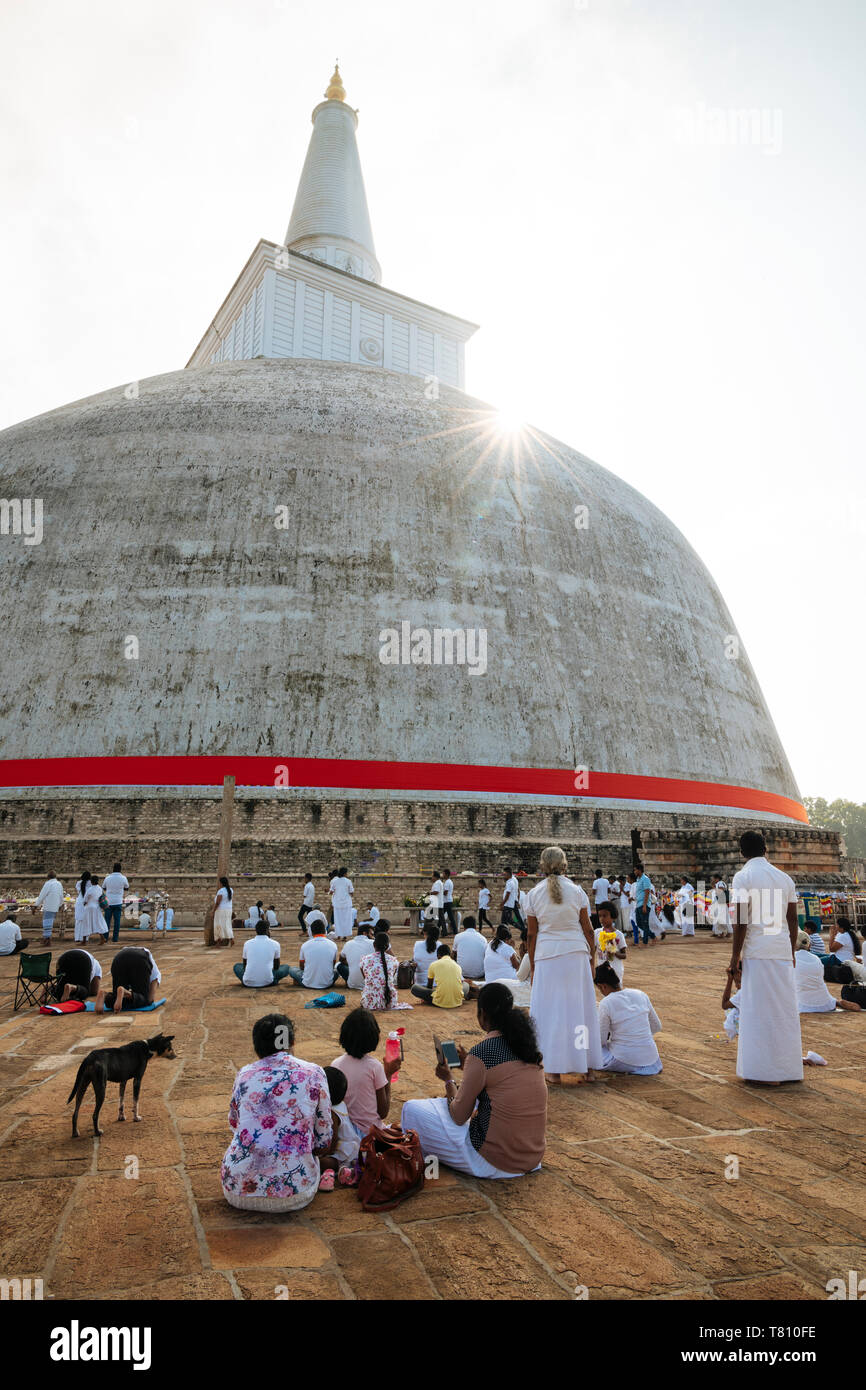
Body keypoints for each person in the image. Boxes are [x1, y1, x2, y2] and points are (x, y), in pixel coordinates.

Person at [401, 982, 547, 1179]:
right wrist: (468, 1065)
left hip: (494, 1162)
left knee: (411, 1109)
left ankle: (417, 1163)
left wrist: (448, 1080)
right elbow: (501, 1079)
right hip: (531, 1158)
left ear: (483, 1015)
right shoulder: (527, 1045)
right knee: (477, 1097)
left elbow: (459, 1116)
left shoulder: (483, 1052)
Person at [221, 1012, 332, 1213]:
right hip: (296, 1193)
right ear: (292, 1042)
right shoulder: (314, 1073)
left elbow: (234, 1124)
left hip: (237, 1190)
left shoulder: (245, 1073)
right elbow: (323, 1139)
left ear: (257, 1047)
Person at [723, 830, 803, 1085]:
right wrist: (790, 951)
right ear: (765, 849)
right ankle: (787, 1069)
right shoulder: (784, 878)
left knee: (758, 1012)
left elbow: (740, 919)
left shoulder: (742, 876)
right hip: (780, 950)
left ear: (741, 853)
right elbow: (793, 921)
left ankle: (764, 1072)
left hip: (758, 951)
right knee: (783, 1011)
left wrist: (735, 956)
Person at [526, 845, 602, 1084]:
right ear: (565, 864)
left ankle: (553, 1070)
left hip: (547, 956)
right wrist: (592, 958)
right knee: (582, 1010)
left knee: (550, 1013)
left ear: (542, 865)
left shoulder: (534, 894)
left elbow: (531, 934)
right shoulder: (577, 891)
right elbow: (588, 930)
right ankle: (587, 1067)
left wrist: (534, 965)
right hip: (576, 953)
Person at [332, 1007, 400, 1137]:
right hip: (370, 1135)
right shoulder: (375, 1067)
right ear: (374, 1037)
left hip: (346, 1132)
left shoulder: (336, 1064)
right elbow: (383, 1112)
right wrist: (388, 1074)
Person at [594, 962, 663, 1074]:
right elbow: (656, 1026)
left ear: (603, 986)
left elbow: (600, 1040)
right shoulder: (640, 994)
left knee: (586, 1047)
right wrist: (637, 1037)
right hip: (651, 1059)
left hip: (624, 1059)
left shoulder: (606, 1003)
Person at [316, 1067, 363, 1190]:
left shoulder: (332, 1112)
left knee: (320, 1162)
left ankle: (339, 1168)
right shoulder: (341, 1104)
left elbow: (333, 1140)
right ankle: (346, 1168)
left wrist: (324, 1154)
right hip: (350, 1149)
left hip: (342, 1152)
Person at [95, 946, 162, 1013]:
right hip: (139, 959)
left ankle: (105, 995)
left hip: (118, 958)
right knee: (145, 999)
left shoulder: (129, 950)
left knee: (116, 996)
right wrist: (146, 999)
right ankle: (126, 992)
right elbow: (150, 998)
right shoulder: (156, 975)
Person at [360, 930, 411, 1010]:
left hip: (368, 1002)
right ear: (387, 947)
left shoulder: (365, 959)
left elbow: (366, 978)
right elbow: (390, 978)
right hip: (390, 1002)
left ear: (374, 945)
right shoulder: (393, 960)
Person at [233, 921, 292, 988]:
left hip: (248, 982)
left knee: (237, 966)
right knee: (286, 967)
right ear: (267, 930)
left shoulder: (247, 943)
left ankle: (251, 978)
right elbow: (276, 967)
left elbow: (245, 965)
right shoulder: (275, 944)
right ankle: (268, 978)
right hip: (268, 981)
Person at [411, 942, 473, 1006]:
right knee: (466, 984)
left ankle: (436, 998)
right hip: (457, 1001)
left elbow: (429, 986)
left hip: (439, 1001)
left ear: (438, 956)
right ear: (450, 955)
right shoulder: (457, 966)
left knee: (414, 988)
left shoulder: (433, 964)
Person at [288, 919, 340, 989]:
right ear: (325, 931)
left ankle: (300, 980)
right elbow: (332, 965)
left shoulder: (305, 945)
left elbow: (301, 967)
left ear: (312, 932)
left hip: (308, 983)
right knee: (337, 970)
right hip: (327, 983)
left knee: (292, 969)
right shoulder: (333, 945)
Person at [793, 932, 837, 1013]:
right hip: (824, 1003)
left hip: (802, 1004)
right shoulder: (816, 958)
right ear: (809, 945)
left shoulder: (792, 959)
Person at [594, 901, 628, 982]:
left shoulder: (618, 934)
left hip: (615, 970)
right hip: (602, 970)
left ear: (613, 916)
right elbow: (593, 949)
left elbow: (624, 955)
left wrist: (614, 952)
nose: (602, 919)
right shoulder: (597, 933)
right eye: (600, 916)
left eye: (605, 916)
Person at [340, 920, 376, 989]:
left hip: (352, 984)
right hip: (372, 984)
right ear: (365, 933)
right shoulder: (374, 943)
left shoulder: (348, 943)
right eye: (372, 934)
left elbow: (341, 960)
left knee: (339, 966)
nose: (373, 937)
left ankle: (352, 979)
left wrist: (352, 964)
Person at [102, 862, 130, 943]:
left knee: (107, 920)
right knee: (117, 921)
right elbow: (127, 887)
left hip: (108, 902)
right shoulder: (123, 878)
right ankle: (115, 938)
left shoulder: (108, 878)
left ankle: (105, 938)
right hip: (118, 901)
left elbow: (103, 887)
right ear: (120, 869)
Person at [454, 914, 487, 980]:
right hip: (480, 974)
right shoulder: (483, 939)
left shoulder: (458, 936)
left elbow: (453, 954)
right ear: (475, 927)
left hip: (462, 974)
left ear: (464, 927)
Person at [35, 872, 65, 945]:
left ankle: (47, 939)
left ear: (48, 877)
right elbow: (61, 895)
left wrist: (36, 905)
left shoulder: (48, 884)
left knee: (47, 922)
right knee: (49, 922)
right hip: (55, 906)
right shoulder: (59, 883)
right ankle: (47, 938)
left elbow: (42, 895)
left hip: (49, 905)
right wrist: (61, 904)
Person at [80, 873, 107, 942]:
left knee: (86, 923)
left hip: (89, 908)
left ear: (91, 881)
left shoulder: (90, 889)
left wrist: (84, 904)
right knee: (97, 923)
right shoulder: (99, 889)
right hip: (97, 908)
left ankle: (83, 941)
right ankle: (102, 938)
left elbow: (85, 900)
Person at [329, 868, 355, 939]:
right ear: (344, 873)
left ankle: (339, 935)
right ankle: (345, 935)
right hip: (347, 904)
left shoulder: (335, 881)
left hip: (337, 904)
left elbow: (331, 892)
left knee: (338, 920)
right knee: (346, 920)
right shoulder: (348, 881)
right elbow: (352, 892)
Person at [413, 922, 440, 988]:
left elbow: (414, 960)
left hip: (420, 984)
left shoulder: (417, 944)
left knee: (414, 989)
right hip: (437, 984)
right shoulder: (440, 945)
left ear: (424, 933)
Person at [633, 864, 653, 947]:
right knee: (639, 923)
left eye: (635, 870)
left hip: (644, 904)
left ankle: (645, 942)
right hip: (638, 904)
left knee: (645, 924)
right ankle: (653, 936)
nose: (634, 872)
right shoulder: (638, 880)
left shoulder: (645, 879)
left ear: (639, 870)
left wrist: (645, 905)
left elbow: (647, 892)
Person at [213, 877, 234, 946]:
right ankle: (231, 938)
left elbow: (218, 902)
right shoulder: (231, 890)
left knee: (218, 925)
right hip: (228, 910)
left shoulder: (221, 891)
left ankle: (219, 941)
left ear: (221, 883)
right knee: (227, 924)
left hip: (220, 910)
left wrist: (213, 910)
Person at [442, 869, 457, 935]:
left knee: (446, 917)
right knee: (447, 917)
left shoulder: (447, 882)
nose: (443, 875)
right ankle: (453, 931)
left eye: (444, 874)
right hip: (448, 901)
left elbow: (445, 893)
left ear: (447, 874)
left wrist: (439, 893)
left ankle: (454, 931)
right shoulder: (449, 881)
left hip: (447, 901)